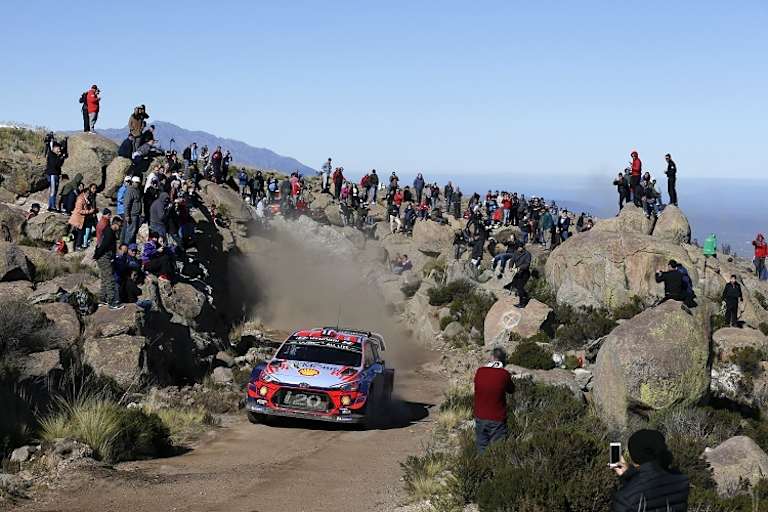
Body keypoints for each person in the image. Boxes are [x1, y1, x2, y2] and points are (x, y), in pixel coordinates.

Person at [611, 429, 689, 512]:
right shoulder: (682, 482)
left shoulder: (624, 498)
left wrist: (628, 477)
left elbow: (637, 493)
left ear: (634, 456)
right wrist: (629, 474)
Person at [473, 347, 514, 453]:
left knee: (481, 447)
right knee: (497, 450)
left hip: (480, 416)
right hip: (497, 418)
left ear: (491, 357)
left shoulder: (480, 371)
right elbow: (511, 390)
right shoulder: (504, 374)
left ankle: (481, 468)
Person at [94, 216, 124, 310]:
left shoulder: (108, 231)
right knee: (110, 279)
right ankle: (112, 302)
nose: (121, 227)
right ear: (116, 224)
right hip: (104, 258)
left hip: (103, 257)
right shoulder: (109, 233)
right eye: (121, 225)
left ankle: (102, 299)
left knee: (104, 278)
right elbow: (103, 246)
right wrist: (97, 255)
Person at [505, 243, 532, 307]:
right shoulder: (516, 253)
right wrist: (510, 267)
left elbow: (527, 264)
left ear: (523, 247)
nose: (519, 249)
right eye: (518, 248)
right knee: (514, 283)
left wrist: (519, 268)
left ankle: (522, 303)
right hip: (518, 272)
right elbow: (512, 260)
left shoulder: (527, 254)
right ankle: (525, 295)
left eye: (520, 247)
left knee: (520, 287)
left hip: (524, 273)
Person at [45, 142, 66, 212]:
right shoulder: (51, 155)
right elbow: (55, 164)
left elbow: (58, 164)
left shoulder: (54, 155)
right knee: (53, 191)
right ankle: (52, 207)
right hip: (52, 175)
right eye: (58, 148)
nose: (59, 150)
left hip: (55, 175)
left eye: (59, 148)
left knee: (54, 191)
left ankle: (51, 206)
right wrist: (61, 157)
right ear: (54, 148)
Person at [122, 176, 142, 244]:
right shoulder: (130, 191)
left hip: (137, 214)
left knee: (133, 232)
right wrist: (127, 215)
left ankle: (131, 247)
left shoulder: (137, 190)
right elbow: (126, 204)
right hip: (132, 215)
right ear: (132, 182)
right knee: (130, 232)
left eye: (138, 183)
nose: (138, 184)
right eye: (136, 182)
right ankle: (126, 246)